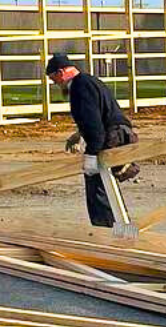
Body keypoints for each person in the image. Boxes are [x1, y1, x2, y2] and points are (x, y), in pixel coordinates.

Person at [46, 53, 139, 227]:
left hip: (110, 137)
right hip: (118, 134)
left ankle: (109, 237)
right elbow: (100, 114)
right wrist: (79, 134)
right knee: (109, 192)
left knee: (99, 193)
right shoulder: (89, 81)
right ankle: (124, 234)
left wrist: (91, 155)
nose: (55, 84)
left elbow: (95, 126)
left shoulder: (79, 88)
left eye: (54, 79)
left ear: (61, 72)